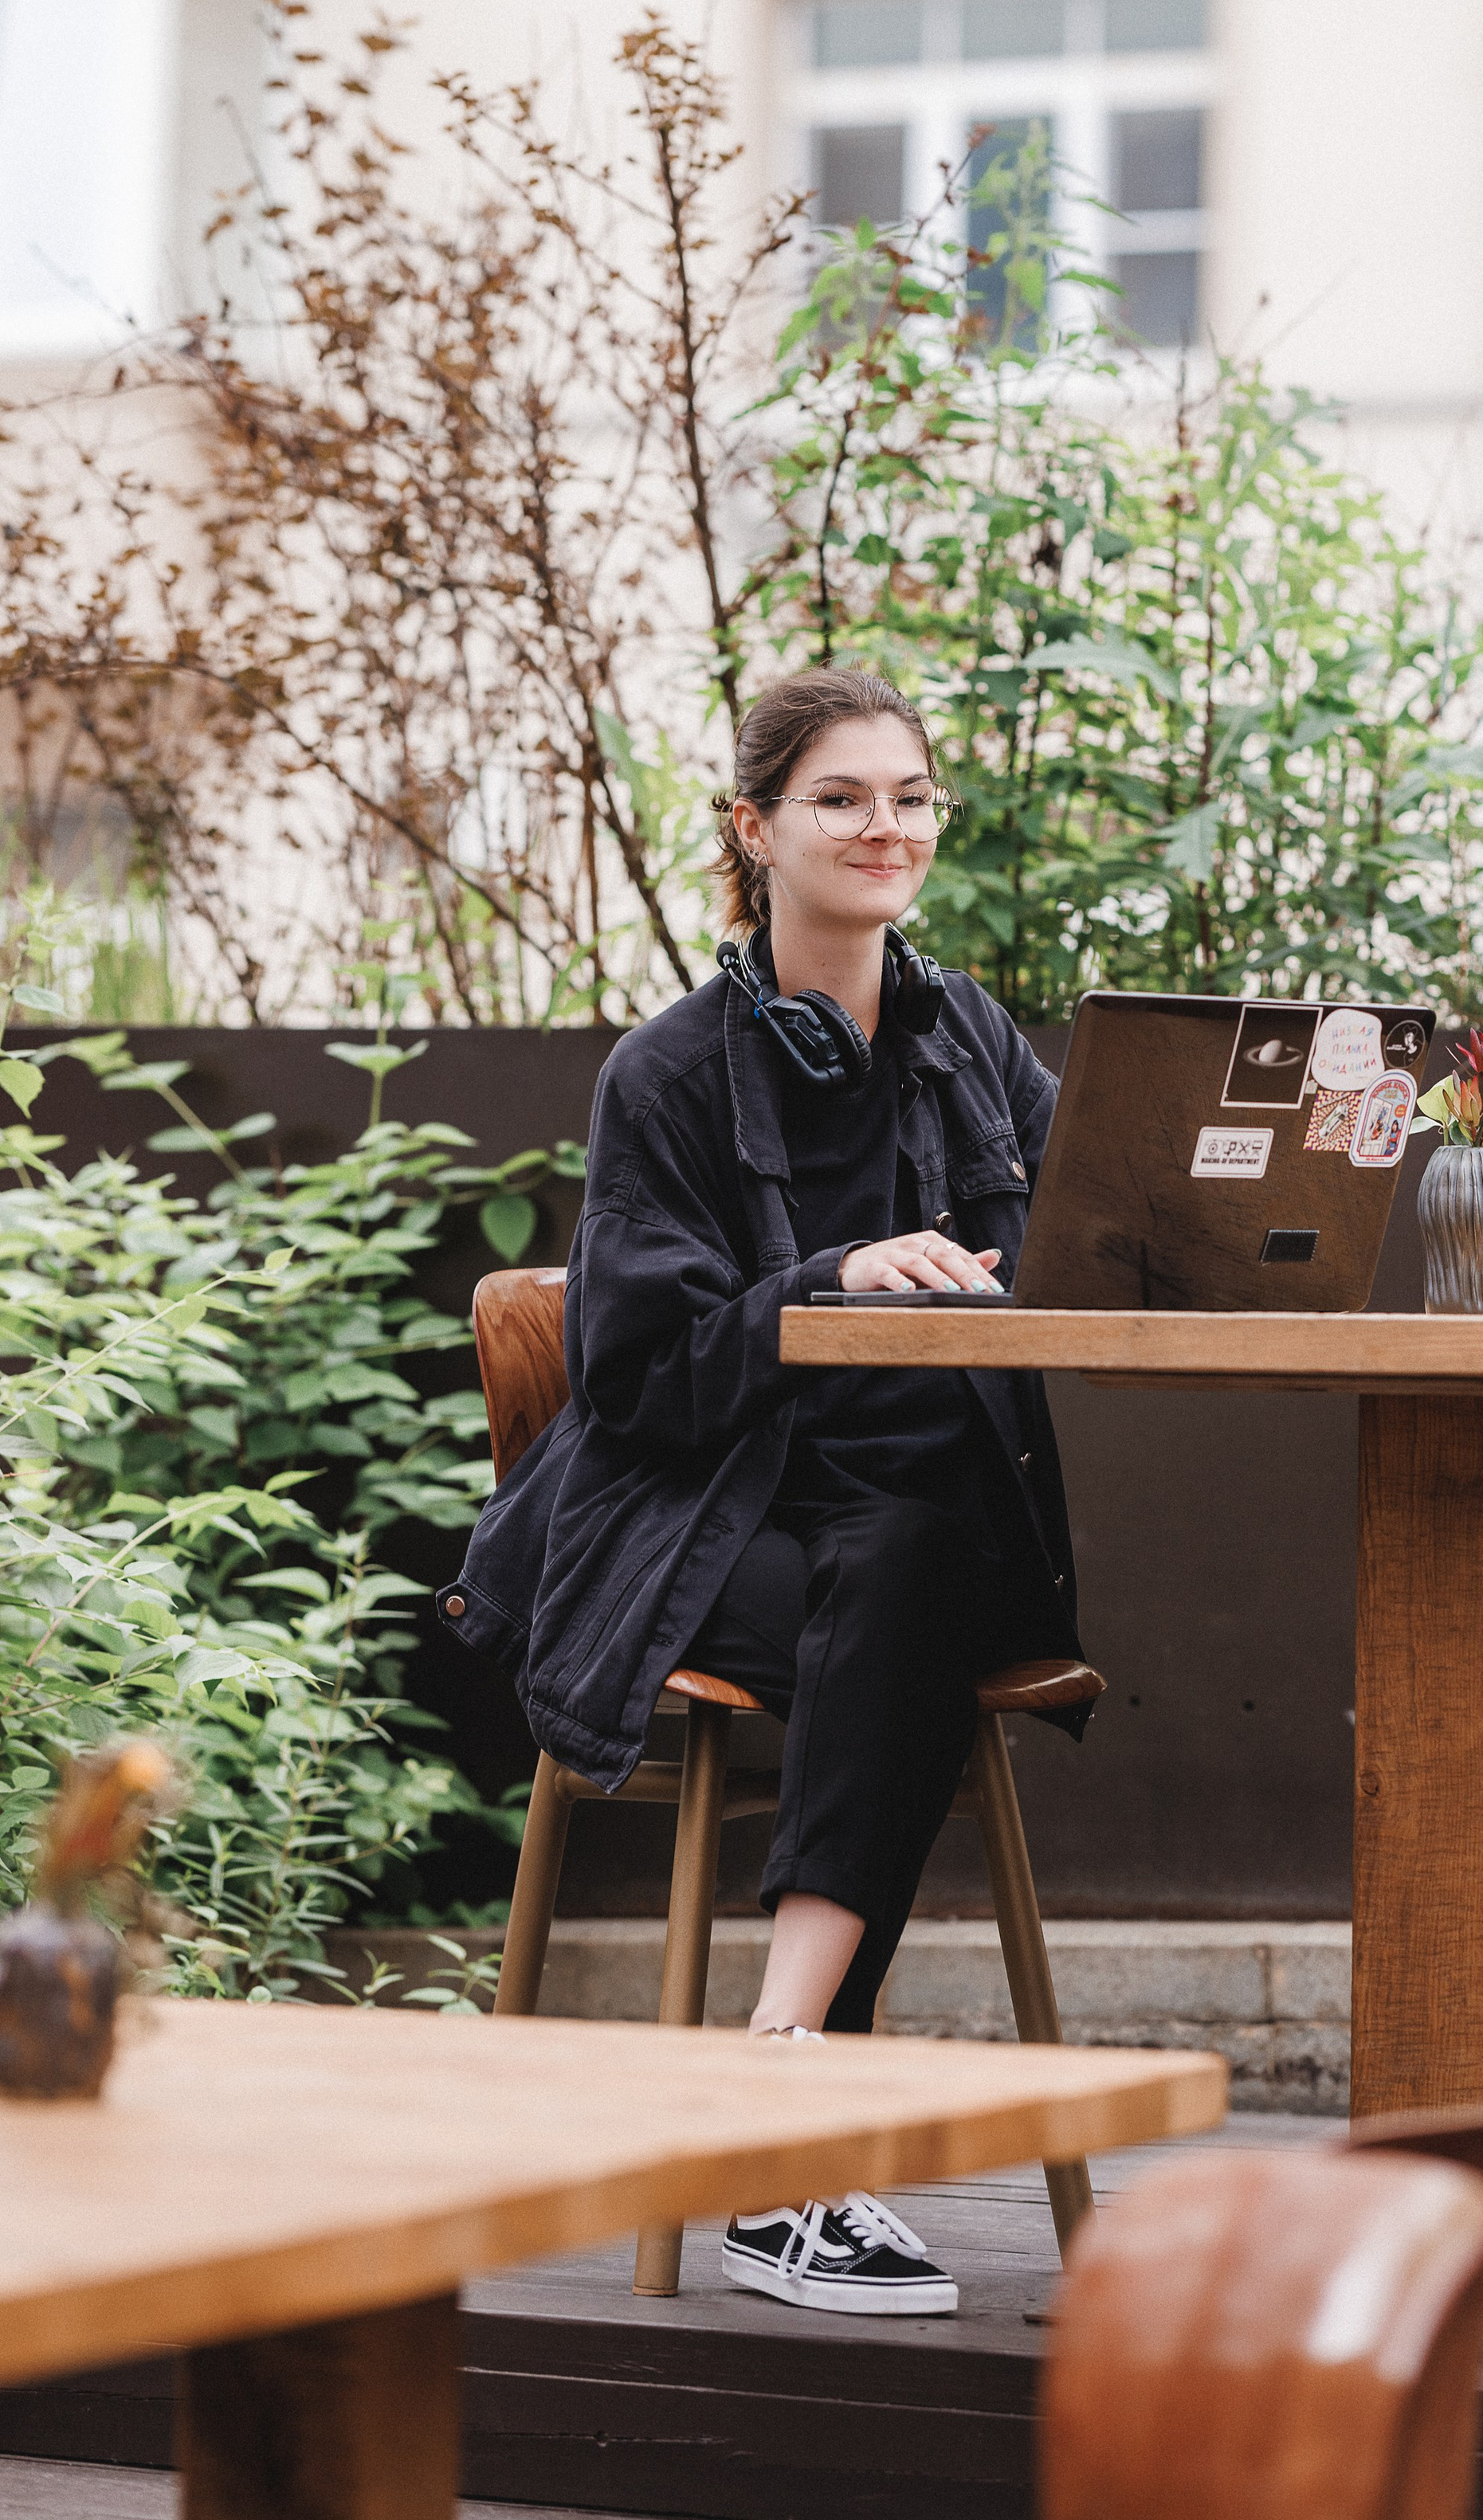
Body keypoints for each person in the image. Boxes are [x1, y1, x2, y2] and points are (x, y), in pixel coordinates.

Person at [437, 666, 1087, 2318]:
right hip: (695, 1525)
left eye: (911, 796)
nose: (887, 825)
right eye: (842, 797)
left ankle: (774, 2090)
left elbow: (1083, 1266)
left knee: (919, 1560)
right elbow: (640, 1376)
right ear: (755, 828)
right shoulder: (665, 1074)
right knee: (909, 1594)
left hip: (913, 1518)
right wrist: (834, 1273)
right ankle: (792, 2139)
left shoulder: (971, 1044)